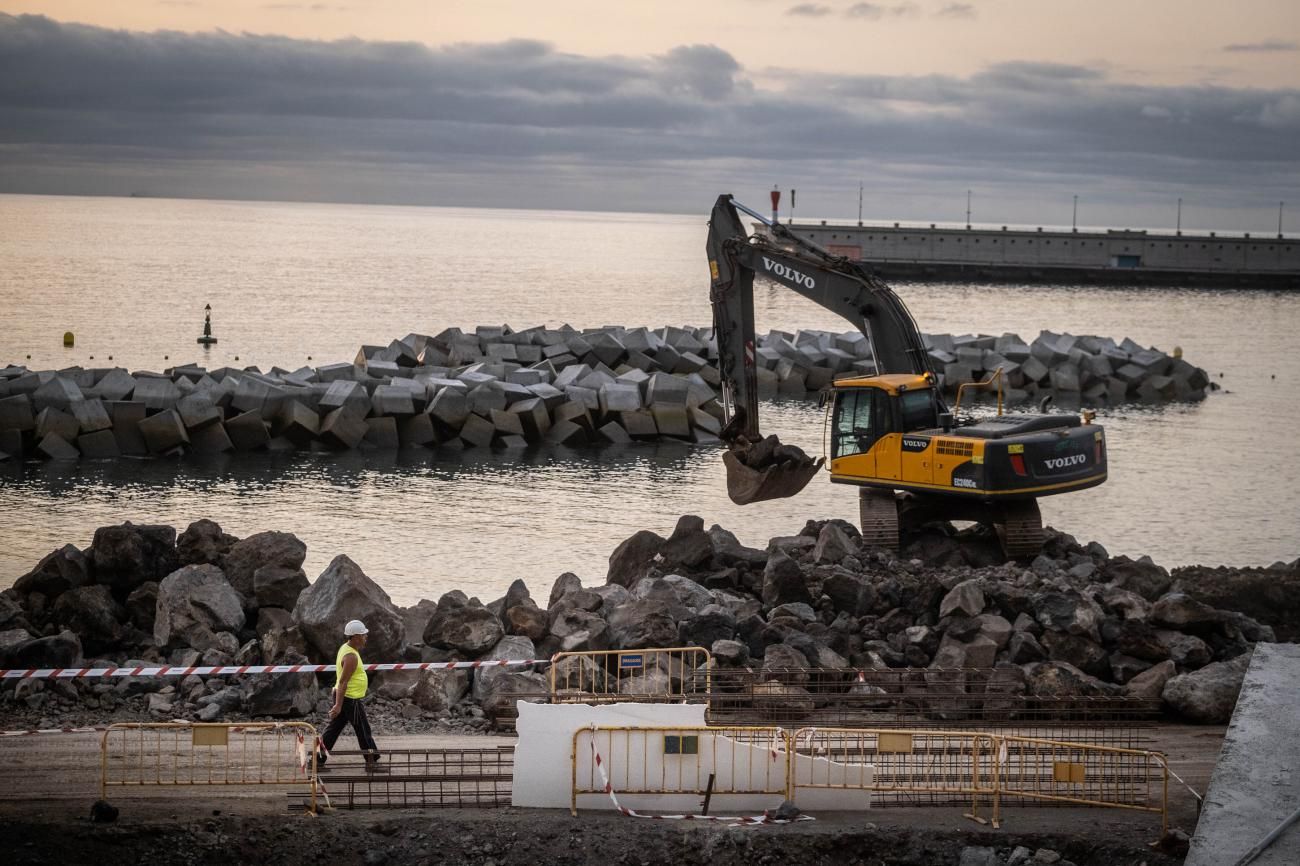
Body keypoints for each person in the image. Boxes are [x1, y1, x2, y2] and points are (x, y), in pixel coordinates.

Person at [318, 619, 385, 772]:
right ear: (354, 637)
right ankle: (371, 762)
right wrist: (338, 705)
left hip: (346, 697)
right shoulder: (351, 657)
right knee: (363, 729)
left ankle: (316, 761)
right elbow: (343, 682)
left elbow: (341, 681)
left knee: (333, 730)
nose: (366, 637)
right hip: (349, 699)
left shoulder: (347, 649)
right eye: (363, 635)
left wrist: (338, 702)